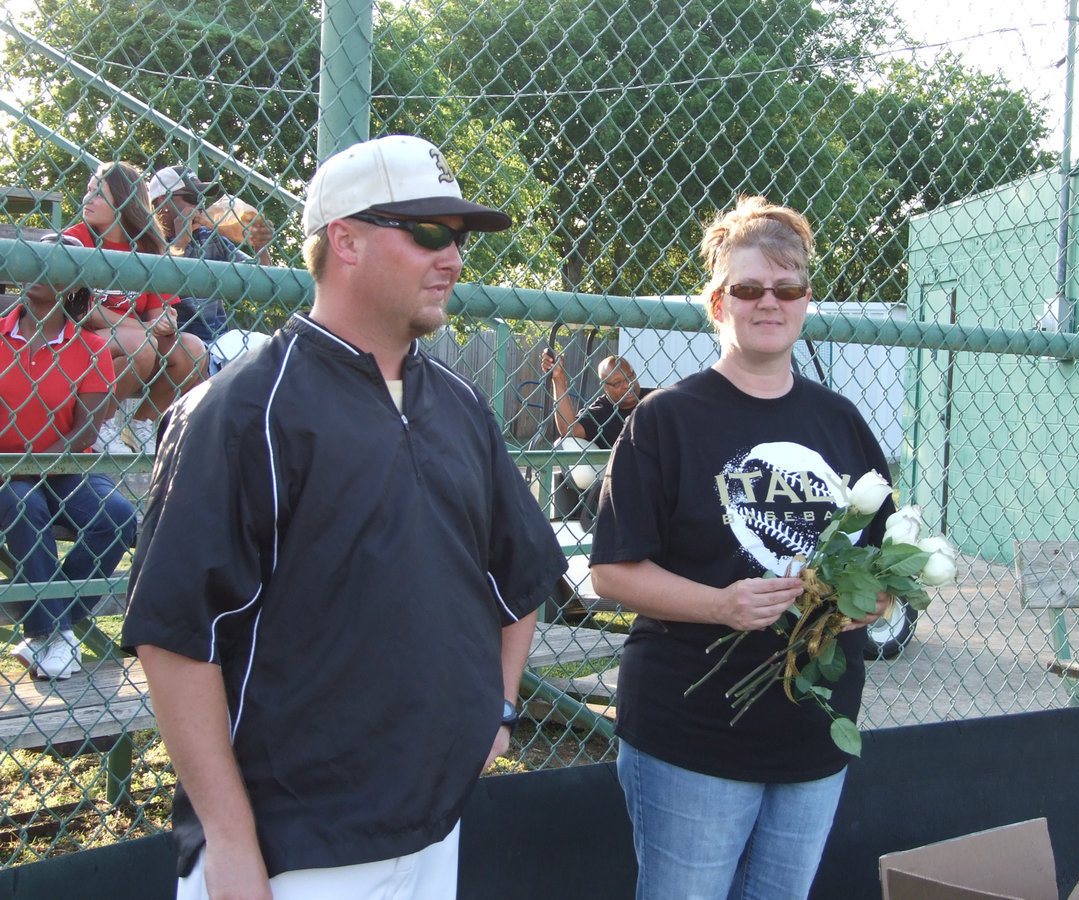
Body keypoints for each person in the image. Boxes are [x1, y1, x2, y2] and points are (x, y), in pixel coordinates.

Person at [121, 134, 568, 899]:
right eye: (428, 231)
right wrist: (229, 844)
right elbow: (175, 638)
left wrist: (497, 702)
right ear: (346, 239)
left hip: (432, 827)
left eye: (459, 237)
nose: (454, 256)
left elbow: (520, 572)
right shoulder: (241, 411)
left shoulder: (459, 404)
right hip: (290, 847)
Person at [589, 196, 895, 900]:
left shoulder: (839, 421)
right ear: (717, 303)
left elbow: (881, 558)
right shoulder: (664, 421)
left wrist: (872, 601)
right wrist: (720, 604)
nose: (769, 302)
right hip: (695, 729)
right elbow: (611, 572)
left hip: (812, 733)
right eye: (748, 288)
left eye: (787, 288)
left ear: (806, 300)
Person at [1, 233, 137, 680]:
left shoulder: (93, 348)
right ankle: (55, 632)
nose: (38, 269)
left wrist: (38, 463)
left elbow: (85, 428)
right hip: (3, 467)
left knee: (117, 517)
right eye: (33, 259)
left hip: (66, 464)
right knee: (23, 503)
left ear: (75, 282)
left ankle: (49, 630)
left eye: (53, 263)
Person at [64, 161, 209, 454]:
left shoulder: (148, 246)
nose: (86, 199)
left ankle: (140, 423)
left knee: (193, 349)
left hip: (134, 341)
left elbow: (161, 312)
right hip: (81, 341)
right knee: (140, 344)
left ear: (123, 202)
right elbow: (80, 312)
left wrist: (165, 321)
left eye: (98, 193)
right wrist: (144, 328)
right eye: (88, 190)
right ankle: (100, 424)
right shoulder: (77, 237)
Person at [147, 165, 275, 344]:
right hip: (177, 339)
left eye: (202, 197)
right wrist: (180, 243)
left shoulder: (209, 237)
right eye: (192, 197)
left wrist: (260, 246)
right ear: (163, 201)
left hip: (218, 338)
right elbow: (161, 285)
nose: (200, 204)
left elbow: (262, 278)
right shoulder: (147, 240)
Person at [539, 351, 653, 526]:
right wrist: (559, 379)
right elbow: (569, 429)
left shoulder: (656, 399)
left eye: (631, 377)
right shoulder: (601, 411)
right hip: (626, 485)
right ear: (605, 386)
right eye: (617, 383)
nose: (627, 385)